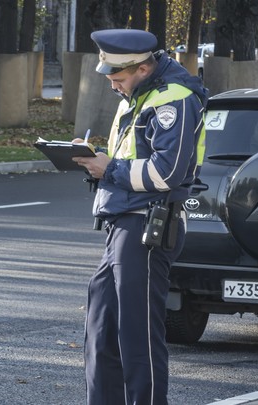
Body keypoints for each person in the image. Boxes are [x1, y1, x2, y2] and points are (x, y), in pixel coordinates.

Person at [73, 29, 207, 405]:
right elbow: (132, 159)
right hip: (123, 225)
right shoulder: (139, 95)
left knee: (137, 338)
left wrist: (108, 168)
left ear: (144, 67)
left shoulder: (176, 100)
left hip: (148, 224)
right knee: (101, 332)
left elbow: (168, 173)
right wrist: (95, 160)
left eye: (118, 78)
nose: (114, 86)